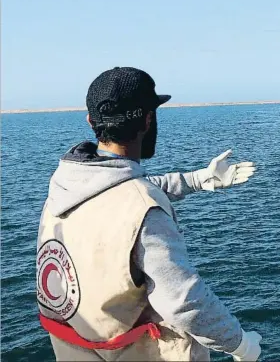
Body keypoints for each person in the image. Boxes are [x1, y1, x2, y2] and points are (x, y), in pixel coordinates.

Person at [35, 67, 262, 362]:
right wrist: (240, 345)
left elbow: (128, 188)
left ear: (91, 121)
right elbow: (183, 302)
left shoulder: (65, 186)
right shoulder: (143, 210)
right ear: (148, 120)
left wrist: (199, 179)